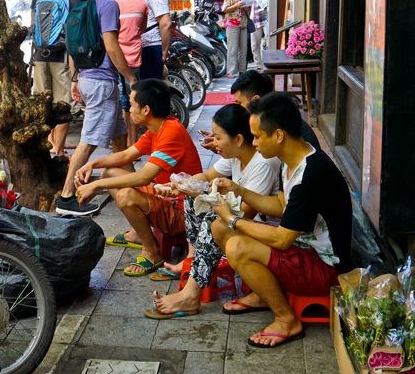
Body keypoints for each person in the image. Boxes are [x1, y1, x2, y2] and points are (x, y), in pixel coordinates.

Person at [211, 92, 352, 348]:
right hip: (304, 248)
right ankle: (262, 294)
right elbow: (280, 205)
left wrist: (233, 220)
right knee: (219, 228)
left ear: (278, 135)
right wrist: (238, 190)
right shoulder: (293, 159)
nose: (253, 143)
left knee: (235, 244)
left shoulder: (310, 173)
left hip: (325, 266)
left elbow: (283, 238)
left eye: (256, 136)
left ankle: (286, 319)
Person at [146, 102, 279, 317]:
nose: (213, 143)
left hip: (264, 228)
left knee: (213, 218)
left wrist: (214, 204)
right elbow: (206, 177)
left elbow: (246, 213)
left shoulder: (262, 163)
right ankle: (192, 259)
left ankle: (191, 295)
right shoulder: (237, 155)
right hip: (242, 221)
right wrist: (178, 185)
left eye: (218, 138)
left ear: (238, 139)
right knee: (194, 197)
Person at [75, 78, 202, 276]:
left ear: (146, 110)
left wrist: (96, 185)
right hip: (165, 195)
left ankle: (151, 252)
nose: (129, 109)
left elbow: (143, 177)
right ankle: (138, 233)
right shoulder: (158, 127)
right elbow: (126, 155)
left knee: (126, 195)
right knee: (110, 171)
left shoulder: (172, 132)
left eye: (132, 104)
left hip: (182, 212)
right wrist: (92, 164)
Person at [55, 0, 134, 217]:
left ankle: (130, 185)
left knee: (119, 139)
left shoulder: (86, 2)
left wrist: (76, 77)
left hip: (90, 78)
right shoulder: (109, 4)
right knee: (89, 141)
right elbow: (111, 46)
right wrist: (131, 78)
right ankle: (66, 197)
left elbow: (71, 47)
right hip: (101, 82)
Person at [31, 0, 84, 158]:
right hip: (63, 57)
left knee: (41, 104)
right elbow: (79, 33)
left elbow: (32, 25)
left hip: (38, 55)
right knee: (63, 105)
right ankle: (59, 151)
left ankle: (46, 147)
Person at [113, 0, 147, 146]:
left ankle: (121, 147)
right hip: (133, 59)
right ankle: (132, 145)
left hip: (114, 60)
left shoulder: (111, 1)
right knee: (132, 103)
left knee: (118, 106)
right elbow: (141, 28)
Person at [125, 0, 171, 80]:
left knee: (149, 93)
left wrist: (163, 52)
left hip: (152, 47)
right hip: (141, 47)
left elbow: (165, 23)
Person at [222, 0, 250, 77]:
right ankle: (231, 71)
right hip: (232, 22)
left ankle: (242, 70)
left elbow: (248, 8)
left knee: (243, 48)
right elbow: (224, 9)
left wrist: (247, 7)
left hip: (243, 22)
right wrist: (237, 5)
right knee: (233, 47)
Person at [248, 0, 268, 72]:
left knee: (268, 42)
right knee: (255, 45)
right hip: (254, 19)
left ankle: (268, 63)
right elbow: (249, 4)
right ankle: (259, 65)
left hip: (266, 19)